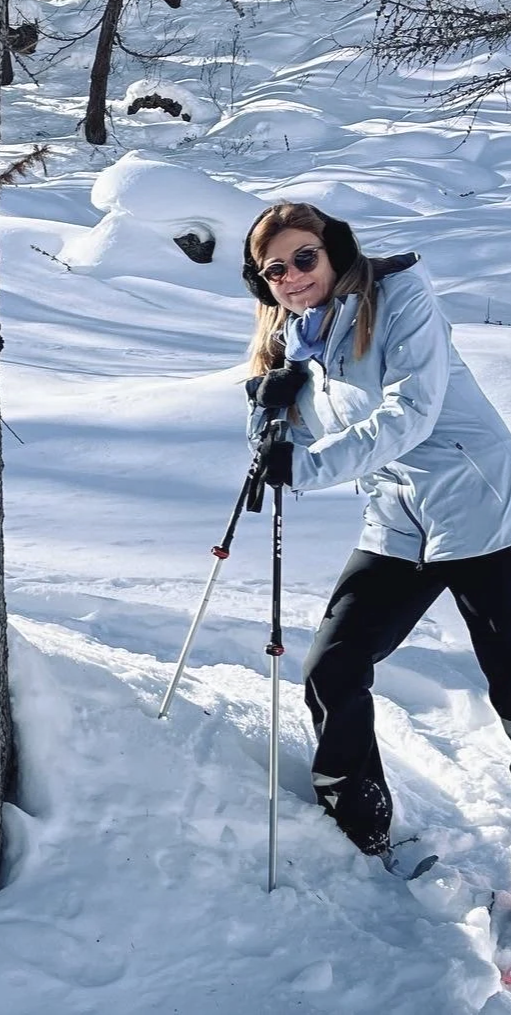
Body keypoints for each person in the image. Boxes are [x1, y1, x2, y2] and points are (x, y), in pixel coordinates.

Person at [241, 201, 511, 861]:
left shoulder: (400, 297)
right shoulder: (297, 340)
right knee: (333, 667)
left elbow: (411, 414)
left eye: (305, 256)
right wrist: (269, 413)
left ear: (333, 250)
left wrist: (304, 465)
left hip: (484, 511)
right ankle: (360, 822)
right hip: (397, 520)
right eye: (275, 269)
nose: (294, 275)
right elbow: (284, 444)